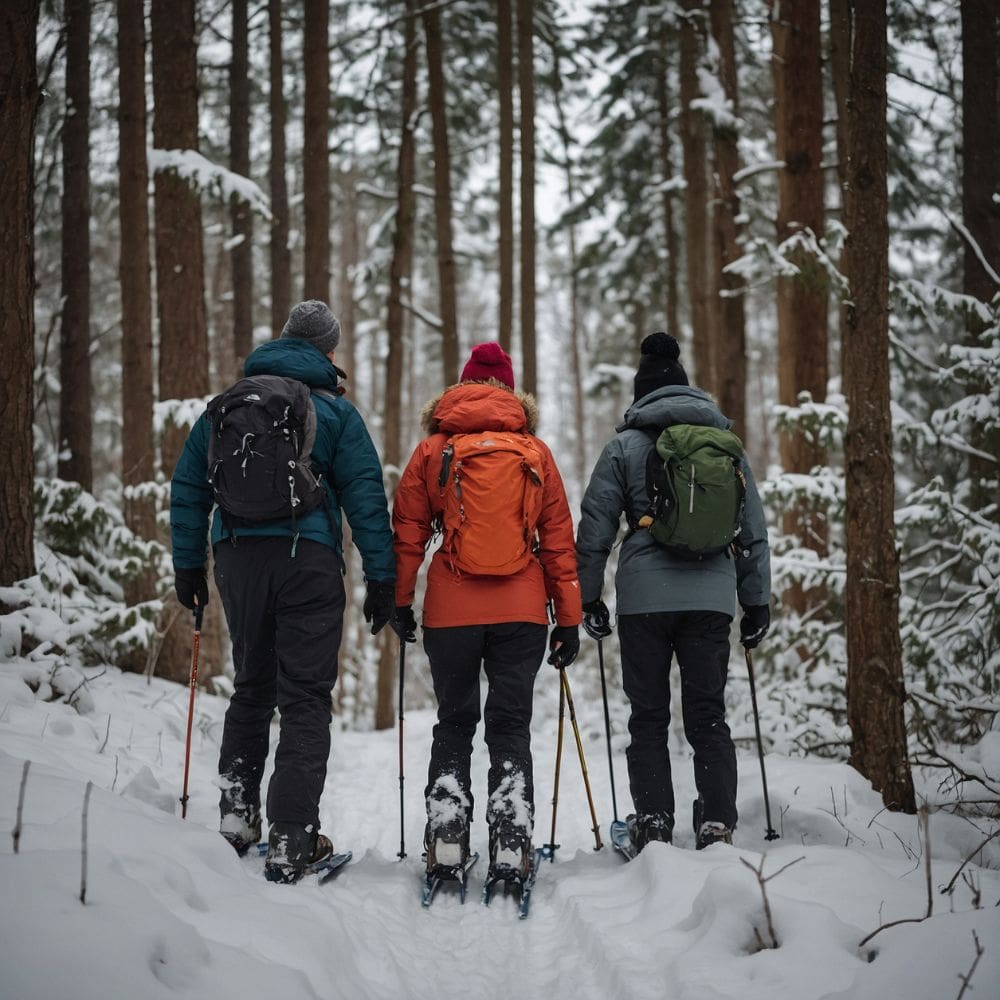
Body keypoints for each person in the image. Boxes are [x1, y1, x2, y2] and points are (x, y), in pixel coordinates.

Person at [170, 300, 396, 883]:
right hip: (308, 561)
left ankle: (236, 818)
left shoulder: (227, 405)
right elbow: (365, 495)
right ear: (328, 351)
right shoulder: (335, 412)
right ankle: (293, 838)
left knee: (251, 687)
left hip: (237, 559)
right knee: (305, 697)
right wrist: (382, 577)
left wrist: (188, 566)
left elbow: (189, 486)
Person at [391, 342, 582, 881]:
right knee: (509, 724)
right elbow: (558, 542)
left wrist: (400, 601)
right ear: (512, 392)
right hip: (521, 612)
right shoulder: (535, 452)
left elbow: (407, 533)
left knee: (454, 721)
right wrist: (568, 619)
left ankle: (447, 836)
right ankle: (511, 841)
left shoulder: (433, 450)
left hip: (451, 610)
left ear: (462, 386)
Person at [575, 332, 771, 852]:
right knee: (707, 713)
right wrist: (756, 602)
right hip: (711, 600)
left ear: (640, 396)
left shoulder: (623, 446)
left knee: (648, 716)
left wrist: (587, 598)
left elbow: (595, 529)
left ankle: (654, 822)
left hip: (644, 602)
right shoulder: (725, 446)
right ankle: (717, 824)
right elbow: (752, 530)